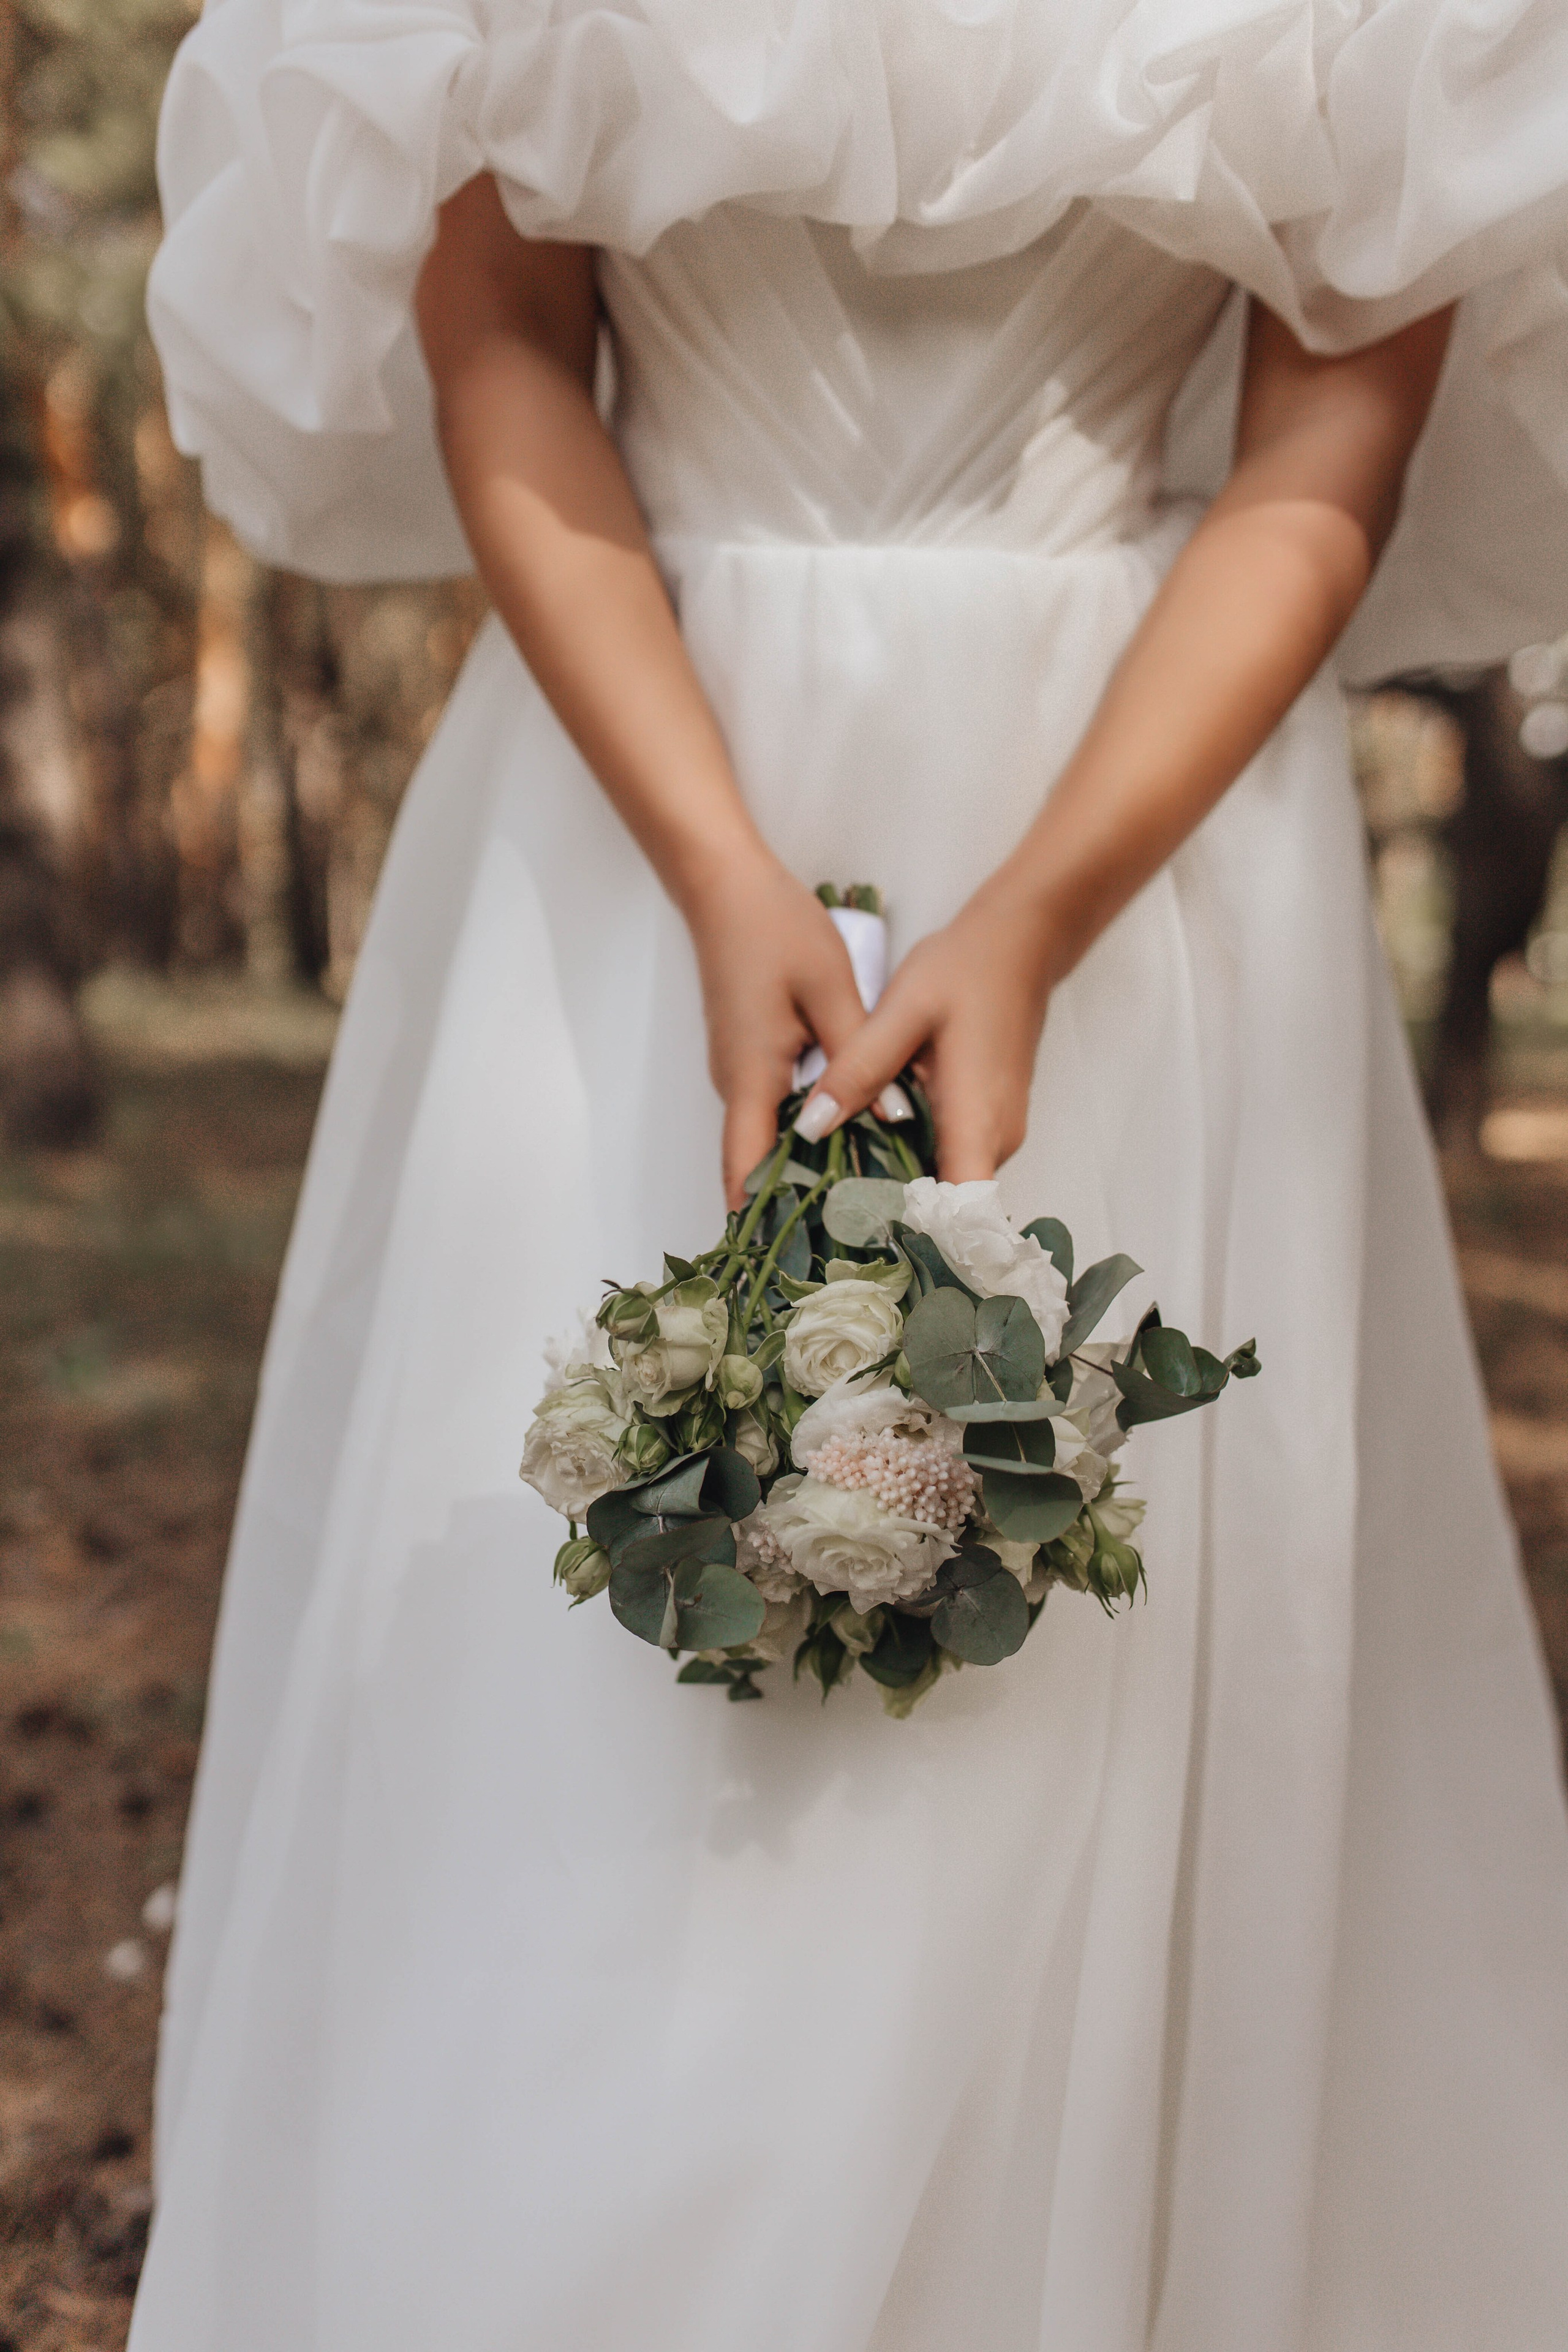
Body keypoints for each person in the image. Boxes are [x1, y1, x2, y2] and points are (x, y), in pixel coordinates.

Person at [134, 6, 1568, 2345]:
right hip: (638, 795)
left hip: (1139, 828)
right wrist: (716, 867)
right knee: (588, 1688)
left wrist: (1035, 917)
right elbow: (501, 342)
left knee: (1087, 1667)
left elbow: (1334, 428)